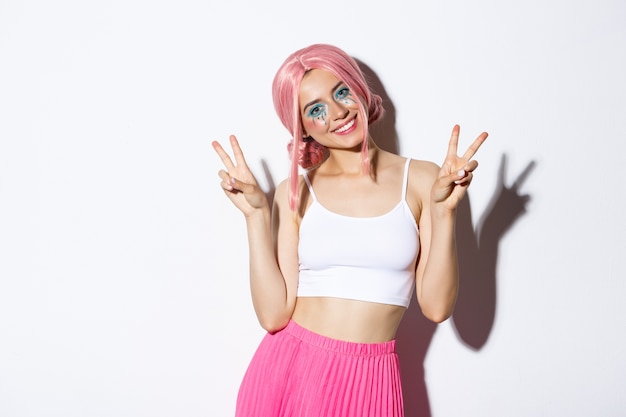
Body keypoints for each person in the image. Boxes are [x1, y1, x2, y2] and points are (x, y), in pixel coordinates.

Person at [212, 43, 487, 417]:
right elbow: (274, 316)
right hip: (289, 370)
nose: (338, 112)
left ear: (358, 89)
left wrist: (444, 213)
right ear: (303, 128)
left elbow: (437, 308)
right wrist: (256, 216)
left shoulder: (423, 180)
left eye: (341, 91)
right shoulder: (294, 193)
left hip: (372, 379)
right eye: (316, 110)